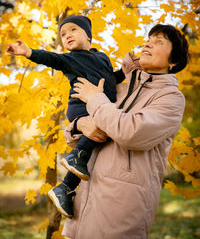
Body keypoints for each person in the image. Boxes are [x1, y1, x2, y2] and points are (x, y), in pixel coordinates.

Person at [61, 24, 190, 239]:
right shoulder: (117, 87)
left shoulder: (171, 99)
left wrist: (95, 99)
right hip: (82, 202)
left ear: (173, 61)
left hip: (120, 208)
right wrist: (79, 124)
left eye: (159, 41)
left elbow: (131, 133)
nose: (148, 43)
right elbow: (74, 136)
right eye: (149, 38)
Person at [6, 15, 125, 218]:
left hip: (100, 105)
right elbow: (53, 59)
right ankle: (76, 156)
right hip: (81, 107)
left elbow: (111, 79)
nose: (67, 35)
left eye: (73, 30)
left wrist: (127, 71)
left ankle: (65, 189)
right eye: (63, 34)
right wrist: (28, 52)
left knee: (98, 138)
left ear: (88, 36)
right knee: (99, 128)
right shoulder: (71, 59)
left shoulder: (102, 57)